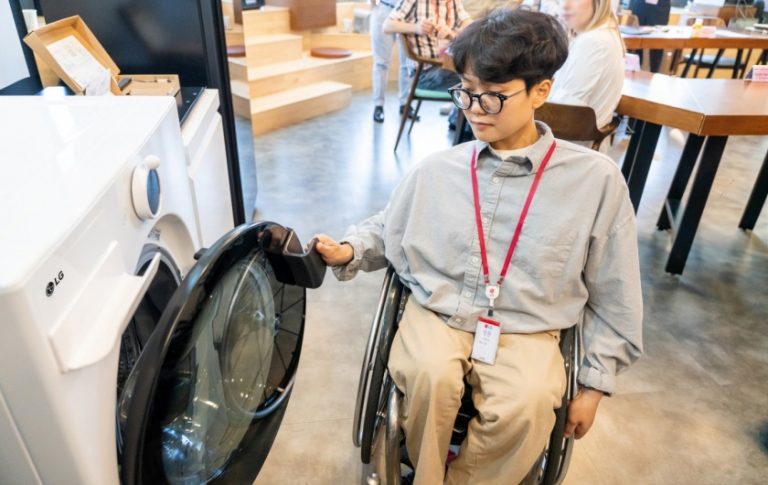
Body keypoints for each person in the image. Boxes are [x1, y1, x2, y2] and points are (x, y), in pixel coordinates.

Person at [316, 8, 643, 484]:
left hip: (529, 325)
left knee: (529, 402)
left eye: (492, 96)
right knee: (428, 374)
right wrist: (348, 249)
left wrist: (594, 385)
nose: (473, 109)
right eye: (466, 91)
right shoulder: (438, 169)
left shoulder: (595, 182)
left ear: (541, 92)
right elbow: (391, 225)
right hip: (439, 311)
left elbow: (616, 291)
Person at [550, 0, 626, 130]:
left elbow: (561, 114)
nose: (565, 5)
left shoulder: (593, 41)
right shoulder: (602, 35)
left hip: (567, 139)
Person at [382, 0, 472, 93]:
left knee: (474, 75)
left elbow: (470, 26)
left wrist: (453, 34)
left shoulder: (453, 2)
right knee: (472, 80)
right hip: (424, 74)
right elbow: (387, 26)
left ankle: (463, 100)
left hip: (448, 66)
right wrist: (416, 27)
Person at [370, 0, 414, 123]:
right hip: (384, 9)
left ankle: (405, 104)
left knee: (407, 63)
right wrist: (374, 8)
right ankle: (378, 105)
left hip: (407, 13)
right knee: (381, 63)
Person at [629, 0, 671, 72]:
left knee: (657, 43)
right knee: (635, 41)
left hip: (660, 7)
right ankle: (633, 72)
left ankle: (654, 73)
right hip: (641, 5)